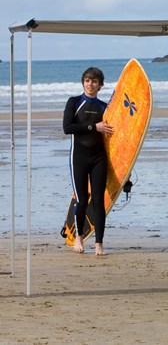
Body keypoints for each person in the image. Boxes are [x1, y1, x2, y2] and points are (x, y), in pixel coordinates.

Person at [63, 67, 114, 255]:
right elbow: (68, 127)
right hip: (79, 156)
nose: (90, 84)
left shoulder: (104, 107)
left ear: (100, 85)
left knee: (99, 201)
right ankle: (79, 238)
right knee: (82, 200)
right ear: (83, 82)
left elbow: (112, 134)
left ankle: (99, 244)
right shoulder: (74, 102)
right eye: (87, 80)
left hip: (99, 157)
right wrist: (94, 126)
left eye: (94, 81)